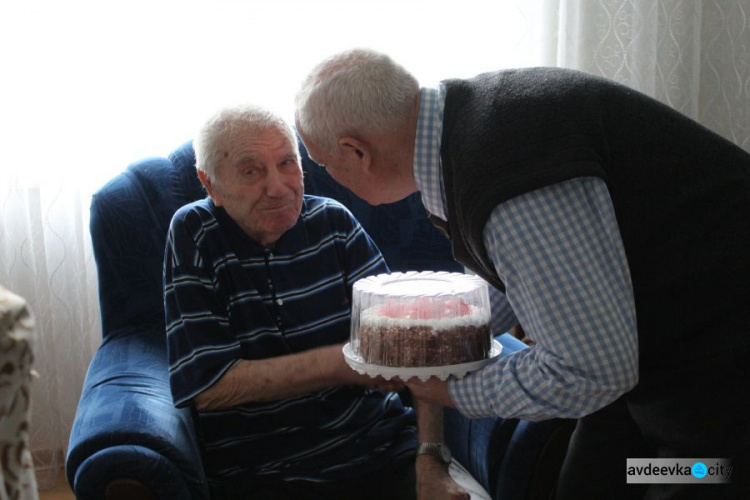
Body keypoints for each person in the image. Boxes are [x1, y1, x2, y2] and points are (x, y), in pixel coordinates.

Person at [294, 48, 750, 499]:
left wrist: (454, 394)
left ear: (357, 151)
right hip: (644, 350)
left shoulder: (506, 173)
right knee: (592, 484)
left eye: (323, 163)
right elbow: (523, 277)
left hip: (718, 355)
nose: (327, 177)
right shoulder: (458, 134)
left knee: (697, 479)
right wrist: (436, 346)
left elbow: (589, 371)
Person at [163, 104, 469, 499]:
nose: (278, 186)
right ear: (211, 185)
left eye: (287, 163)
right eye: (251, 171)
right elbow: (208, 386)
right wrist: (344, 364)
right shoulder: (195, 234)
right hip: (265, 474)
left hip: (381, 448)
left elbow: (412, 346)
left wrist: (430, 462)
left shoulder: (334, 224)